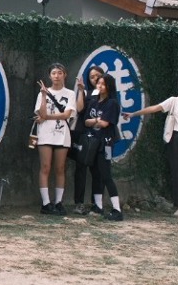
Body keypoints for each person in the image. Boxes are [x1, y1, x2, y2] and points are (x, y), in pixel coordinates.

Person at [122, 73, 178, 218]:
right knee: (177, 173)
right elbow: (155, 108)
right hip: (177, 138)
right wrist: (134, 114)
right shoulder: (174, 101)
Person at [79, 74, 123, 220]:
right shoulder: (93, 102)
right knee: (95, 174)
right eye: (98, 83)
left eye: (103, 84)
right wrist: (97, 120)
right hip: (92, 142)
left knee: (106, 175)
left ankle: (117, 209)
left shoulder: (112, 103)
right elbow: (86, 121)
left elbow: (105, 123)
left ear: (109, 86)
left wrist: (96, 120)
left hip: (105, 143)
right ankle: (98, 207)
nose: (100, 86)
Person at [34, 63, 76, 215]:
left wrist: (47, 117)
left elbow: (66, 115)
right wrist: (44, 95)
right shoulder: (42, 94)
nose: (56, 76)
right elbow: (41, 112)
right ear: (49, 75)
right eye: (54, 73)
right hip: (45, 133)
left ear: (65, 75)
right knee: (45, 167)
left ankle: (58, 202)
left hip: (62, 134)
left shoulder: (70, 93)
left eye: (60, 73)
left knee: (60, 168)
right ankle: (45, 203)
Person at [71, 64, 105, 214]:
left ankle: (97, 204)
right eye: (92, 76)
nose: (95, 79)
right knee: (80, 170)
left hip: (100, 137)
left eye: (98, 76)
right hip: (84, 136)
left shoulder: (108, 95)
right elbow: (79, 110)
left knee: (98, 171)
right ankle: (79, 203)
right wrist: (80, 90)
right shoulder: (85, 92)